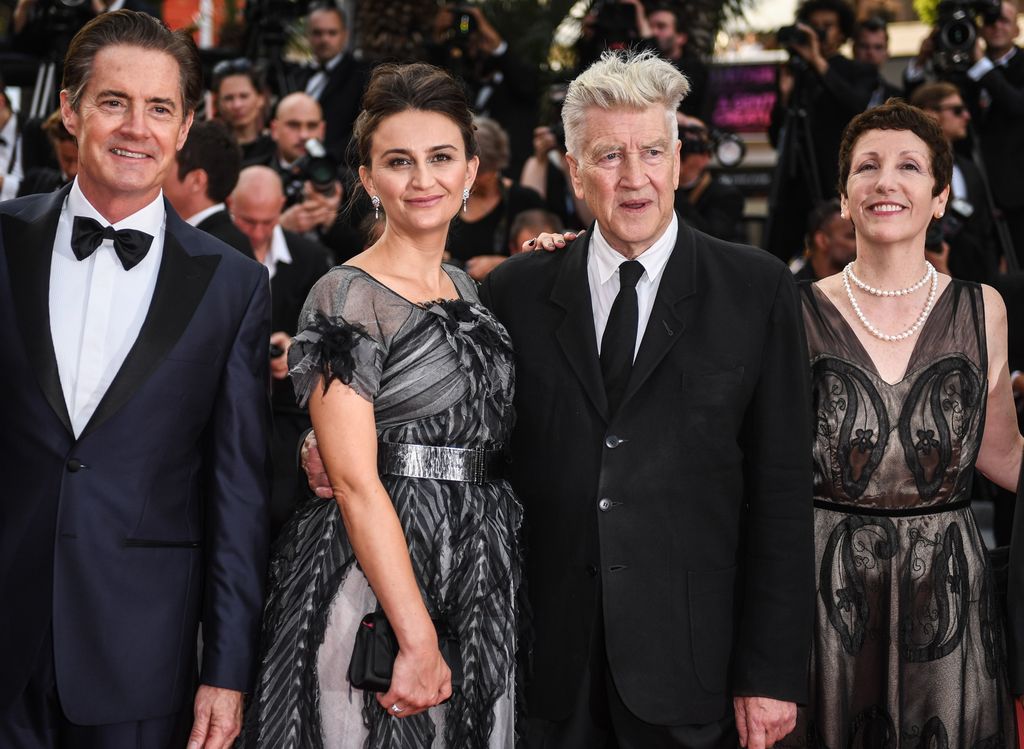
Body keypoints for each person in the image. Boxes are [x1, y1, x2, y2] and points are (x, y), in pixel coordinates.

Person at [309, 48, 814, 749]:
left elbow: (784, 493)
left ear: (678, 157)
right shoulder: (515, 290)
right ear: (572, 168)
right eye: (608, 155)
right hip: (536, 658)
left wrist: (771, 670)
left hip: (693, 665)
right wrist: (327, 443)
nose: (634, 178)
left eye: (653, 151)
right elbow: (456, 414)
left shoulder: (757, 289)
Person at [0, 10, 272, 749]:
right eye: (114, 101)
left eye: (160, 108)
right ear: (70, 108)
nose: (136, 127)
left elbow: (238, 497)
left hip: (140, 661)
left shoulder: (232, 287)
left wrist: (227, 668)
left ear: (186, 127)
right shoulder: (3, 238)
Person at [241, 62, 522, 748]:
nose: (422, 179)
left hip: (479, 567)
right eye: (399, 161)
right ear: (366, 178)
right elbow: (356, 481)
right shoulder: (345, 295)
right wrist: (418, 635)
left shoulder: (470, 289)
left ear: (470, 171)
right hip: (375, 577)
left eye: (440, 158)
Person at [780, 100, 1022, 747]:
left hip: (948, 596)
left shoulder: (984, 308)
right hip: (827, 598)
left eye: (909, 166)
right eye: (868, 166)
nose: (886, 181)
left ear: (939, 196)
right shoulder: (791, 307)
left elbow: (1003, 456)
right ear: (844, 192)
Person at [226, 165, 330, 533]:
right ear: (229, 206)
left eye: (267, 221)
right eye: (247, 221)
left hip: (287, 419)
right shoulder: (215, 253)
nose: (257, 232)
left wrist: (295, 351)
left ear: (282, 207)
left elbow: (325, 336)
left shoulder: (310, 259)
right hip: (226, 413)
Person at [766, 0, 876, 261]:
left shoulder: (857, 70)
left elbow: (854, 104)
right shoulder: (795, 73)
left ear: (842, 33)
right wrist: (784, 97)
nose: (819, 33)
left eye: (827, 27)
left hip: (835, 181)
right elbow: (775, 136)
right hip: (793, 185)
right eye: (813, 27)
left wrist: (817, 59)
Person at [911, 82, 1000, 283]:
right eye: (957, 110)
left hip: (979, 277)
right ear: (930, 114)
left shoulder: (969, 167)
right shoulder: (910, 167)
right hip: (928, 275)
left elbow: (984, 225)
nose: (966, 116)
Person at [964, 0, 1024, 265]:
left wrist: (980, 65)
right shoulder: (962, 63)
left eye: (1004, 20)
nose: (997, 26)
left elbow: (1015, 105)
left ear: (1016, 30)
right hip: (977, 188)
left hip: (1018, 190)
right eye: (990, 21)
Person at [452, 116, 545, 280]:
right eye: (467, 171)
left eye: (482, 173)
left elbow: (544, 261)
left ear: (498, 164)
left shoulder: (524, 200)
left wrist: (502, 264)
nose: (474, 179)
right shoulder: (449, 198)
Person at [162, 119, 252, 255]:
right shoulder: (218, 240)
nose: (157, 171)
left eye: (167, 164)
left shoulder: (217, 250)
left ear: (197, 181)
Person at [301, 3, 368, 164]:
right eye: (318, 33)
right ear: (308, 35)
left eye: (332, 33)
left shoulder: (361, 76)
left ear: (345, 35)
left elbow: (362, 130)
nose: (325, 39)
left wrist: (326, 159)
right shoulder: (296, 75)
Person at [673, 119, 746, 243]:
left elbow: (712, 238)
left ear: (706, 157)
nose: (679, 156)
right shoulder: (654, 187)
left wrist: (672, 188)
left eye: (688, 149)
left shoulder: (726, 195)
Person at [211, 58, 275, 167]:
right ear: (218, 104)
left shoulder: (276, 147)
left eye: (244, 96)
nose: (237, 105)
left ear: (261, 99)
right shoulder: (211, 149)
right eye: (228, 98)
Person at [16, 109, 78, 197]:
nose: (73, 170)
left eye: (80, 160)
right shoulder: (34, 184)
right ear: (56, 150)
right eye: (66, 159)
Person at [791, 198, 856, 281]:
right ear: (822, 241)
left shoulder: (863, 285)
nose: (858, 244)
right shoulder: (793, 290)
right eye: (851, 237)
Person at [852, 17, 901, 108]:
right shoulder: (835, 89)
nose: (871, 53)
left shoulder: (897, 97)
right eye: (864, 46)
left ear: (887, 53)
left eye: (878, 47)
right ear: (854, 49)